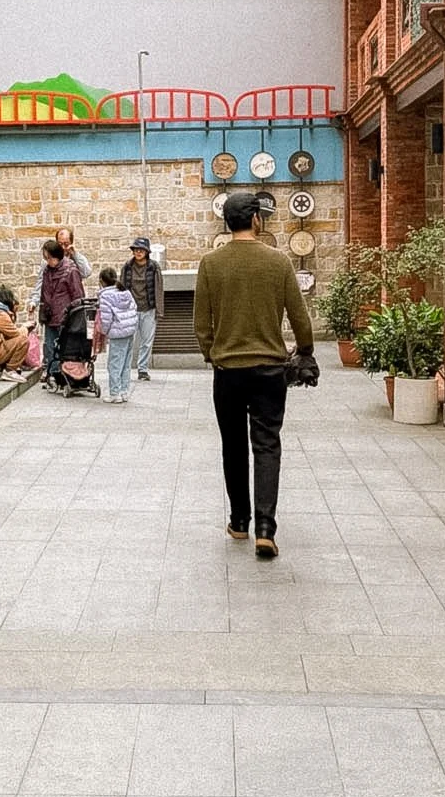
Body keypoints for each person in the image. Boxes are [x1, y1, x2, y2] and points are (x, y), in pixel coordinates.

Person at [193, 190, 315, 559]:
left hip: (228, 371)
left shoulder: (211, 264)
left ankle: (239, 521)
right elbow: (300, 318)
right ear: (257, 220)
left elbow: (201, 324)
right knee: (266, 444)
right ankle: (266, 528)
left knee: (233, 445)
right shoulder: (278, 262)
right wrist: (305, 351)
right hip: (269, 371)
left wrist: (212, 353)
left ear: (227, 222)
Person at [37, 237, 86, 385]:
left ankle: (65, 375)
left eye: (49, 257)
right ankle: (53, 373)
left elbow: (78, 295)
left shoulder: (71, 270)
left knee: (65, 348)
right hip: (50, 315)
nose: (47, 261)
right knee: (50, 346)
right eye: (46, 258)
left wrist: (73, 315)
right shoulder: (47, 271)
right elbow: (44, 291)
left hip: (66, 317)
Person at [118, 236, 164, 382]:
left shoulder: (154, 267)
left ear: (146, 251)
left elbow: (159, 288)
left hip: (148, 308)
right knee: (129, 340)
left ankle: (142, 369)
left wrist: (159, 309)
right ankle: (125, 368)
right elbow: (122, 288)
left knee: (146, 341)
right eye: (136, 249)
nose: (138, 252)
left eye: (141, 250)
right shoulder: (127, 266)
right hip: (131, 309)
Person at [93, 266, 140, 403]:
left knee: (114, 364)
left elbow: (106, 319)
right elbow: (134, 308)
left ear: (102, 281)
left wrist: (105, 331)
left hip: (117, 333)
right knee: (125, 363)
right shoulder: (125, 292)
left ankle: (115, 393)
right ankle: (124, 391)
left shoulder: (106, 296)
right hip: (130, 331)